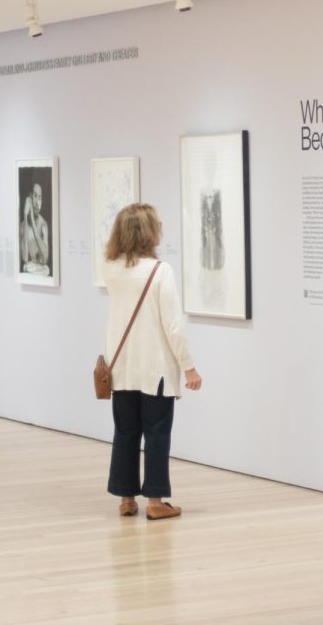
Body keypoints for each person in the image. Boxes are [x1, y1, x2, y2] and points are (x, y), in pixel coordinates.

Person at [103, 203, 202, 520]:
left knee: (125, 432)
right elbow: (173, 325)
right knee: (157, 433)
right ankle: (156, 501)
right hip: (155, 369)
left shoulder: (113, 270)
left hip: (121, 369)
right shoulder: (161, 271)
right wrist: (189, 366)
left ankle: (126, 498)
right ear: (149, 232)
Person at [20, 182, 50, 275]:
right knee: (26, 267)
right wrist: (25, 216)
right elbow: (25, 258)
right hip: (30, 270)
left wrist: (32, 221)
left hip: (41, 270)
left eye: (40, 198)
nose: (37, 202)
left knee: (45, 269)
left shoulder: (43, 224)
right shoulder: (22, 225)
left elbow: (45, 259)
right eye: (35, 196)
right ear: (29, 199)